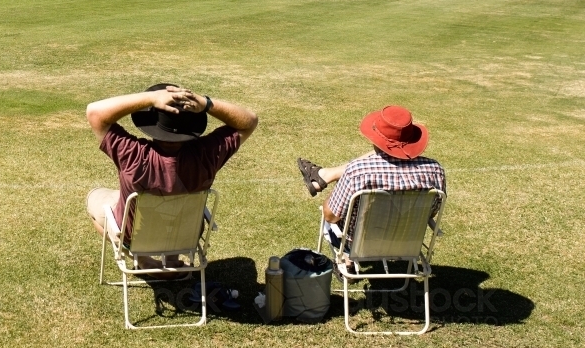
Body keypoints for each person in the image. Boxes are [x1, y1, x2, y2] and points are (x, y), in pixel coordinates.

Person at [85, 84, 258, 252]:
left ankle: (142, 259)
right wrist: (206, 103)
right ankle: (173, 258)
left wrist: (151, 98)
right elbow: (250, 121)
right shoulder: (208, 154)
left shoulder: (134, 155)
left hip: (135, 238)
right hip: (186, 239)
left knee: (93, 198)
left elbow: (95, 112)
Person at [297, 105, 446, 245]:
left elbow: (330, 215)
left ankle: (347, 261)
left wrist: (335, 191)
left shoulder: (357, 172)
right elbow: (431, 213)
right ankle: (326, 175)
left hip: (357, 243)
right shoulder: (435, 171)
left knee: (330, 216)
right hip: (406, 242)